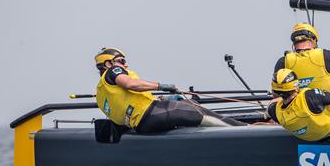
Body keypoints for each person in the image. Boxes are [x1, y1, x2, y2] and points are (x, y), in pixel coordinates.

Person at [94, 47, 242, 133]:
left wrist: (165, 99)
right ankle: (242, 130)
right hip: (150, 114)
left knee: (187, 106)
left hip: (141, 125)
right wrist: (161, 86)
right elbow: (130, 84)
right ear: (108, 64)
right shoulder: (113, 71)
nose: (125, 65)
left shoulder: (100, 94)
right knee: (194, 109)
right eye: (122, 61)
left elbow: (127, 103)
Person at [273, 22, 330, 97]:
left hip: (297, 111)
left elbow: (276, 94)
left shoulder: (284, 61)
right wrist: (328, 75)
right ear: (314, 40)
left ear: (294, 43)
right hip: (328, 109)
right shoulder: (326, 55)